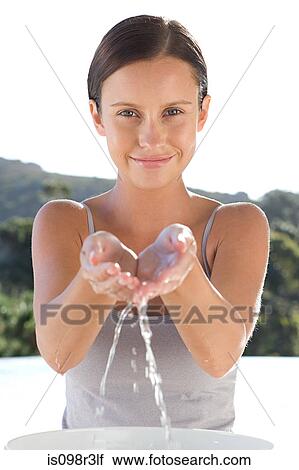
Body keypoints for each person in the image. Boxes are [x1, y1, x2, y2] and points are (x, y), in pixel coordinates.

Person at [31, 14, 270, 432]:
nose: (151, 138)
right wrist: (94, 278)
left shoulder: (238, 227)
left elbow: (219, 359)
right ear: (98, 117)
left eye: (173, 111)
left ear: (202, 112)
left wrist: (182, 274)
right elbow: (59, 357)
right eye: (128, 113)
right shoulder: (63, 223)